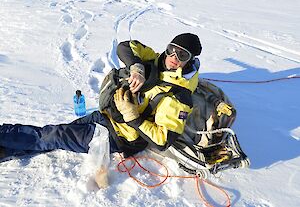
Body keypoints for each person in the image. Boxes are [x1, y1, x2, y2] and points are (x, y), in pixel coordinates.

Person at [0, 33, 231, 186]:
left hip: (118, 137)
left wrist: (132, 116)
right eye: (172, 49)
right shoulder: (157, 59)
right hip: (106, 117)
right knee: (52, 135)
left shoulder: (179, 97)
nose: (173, 57)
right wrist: (137, 67)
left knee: (53, 136)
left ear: (190, 60)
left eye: (181, 55)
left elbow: (162, 140)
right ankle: (6, 149)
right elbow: (125, 47)